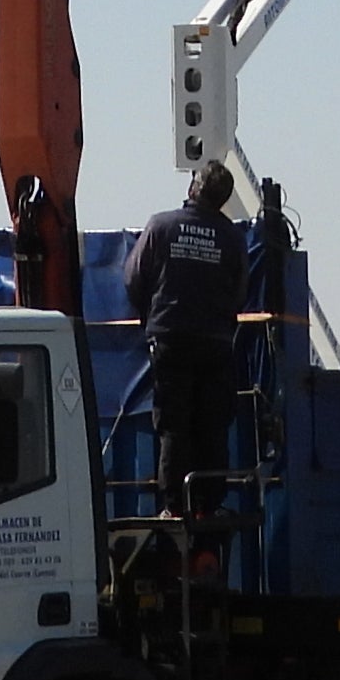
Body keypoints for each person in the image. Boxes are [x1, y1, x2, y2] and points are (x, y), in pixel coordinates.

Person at [124, 161, 249, 528]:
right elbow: (239, 292)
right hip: (214, 341)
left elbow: (133, 278)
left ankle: (175, 506)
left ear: (194, 189)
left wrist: (152, 315)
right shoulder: (232, 238)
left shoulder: (161, 226)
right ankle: (209, 504)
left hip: (170, 338)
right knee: (212, 423)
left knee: (174, 425)